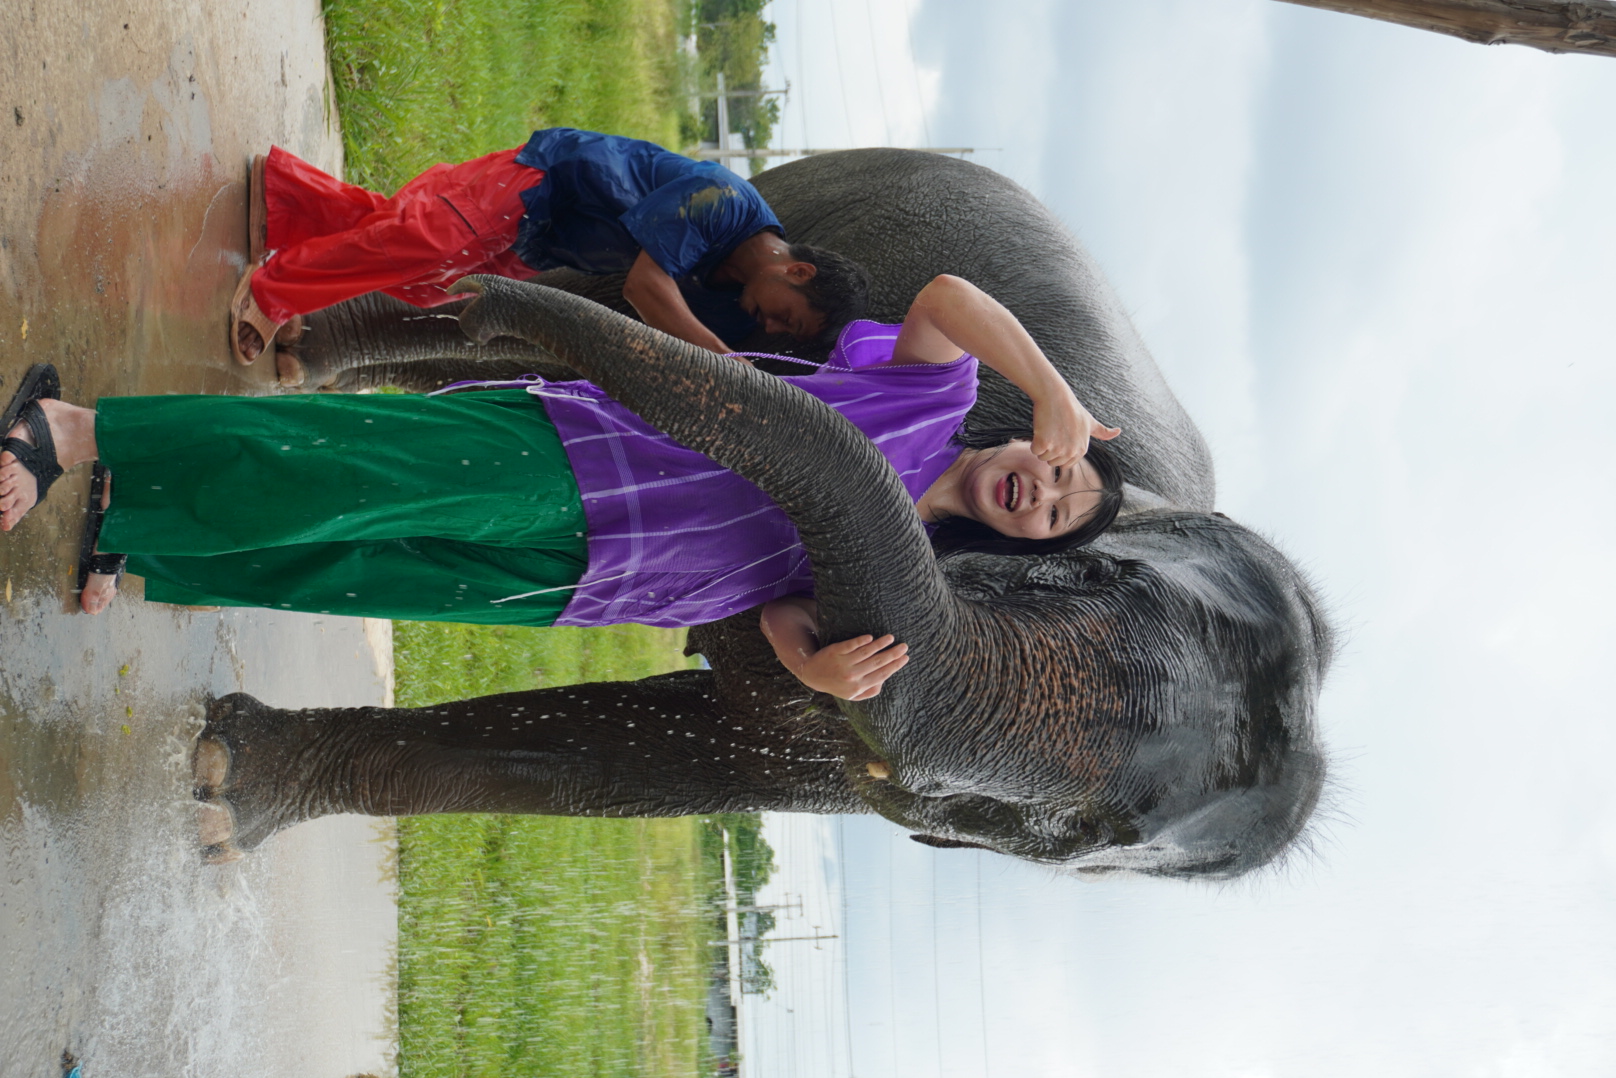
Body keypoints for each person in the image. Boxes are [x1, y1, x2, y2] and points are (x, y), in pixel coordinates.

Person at [3, 276, 1120, 700]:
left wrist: (811, 669)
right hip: (592, 458)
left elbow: (785, 615)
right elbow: (947, 295)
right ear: (1040, 441)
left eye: (1058, 519)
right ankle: (77, 431)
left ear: (1025, 545)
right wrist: (1053, 387)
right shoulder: (933, 394)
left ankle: (141, 532)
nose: (1044, 496)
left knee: (353, 566)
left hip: (594, 586)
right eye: (1063, 475)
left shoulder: (908, 574)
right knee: (347, 468)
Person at [232, 127, 872, 374]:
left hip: (540, 240)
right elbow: (645, 287)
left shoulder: (733, 283)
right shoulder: (724, 202)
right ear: (798, 270)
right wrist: (725, 360)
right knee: (425, 238)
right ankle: (271, 291)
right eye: (787, 317)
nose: (771, 327)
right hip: (541, 185)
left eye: (782, 334)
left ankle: (285, 199)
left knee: (425, 277)